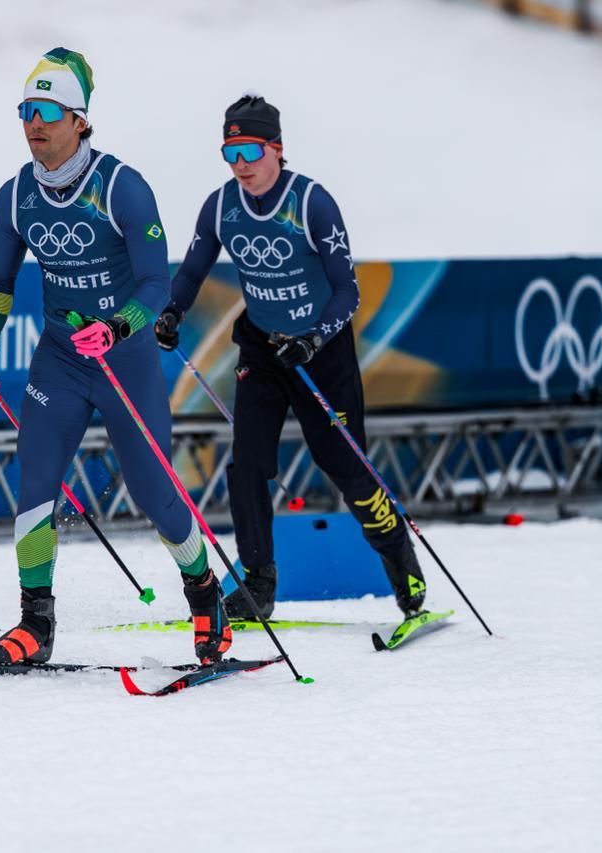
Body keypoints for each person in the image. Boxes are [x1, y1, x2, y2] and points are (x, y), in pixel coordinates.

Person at [0, 48, 231, 665]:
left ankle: (204, 593)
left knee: (155, 493)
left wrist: (116, 327)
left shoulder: (121, 187)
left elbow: (156, 285)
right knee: (36, 482)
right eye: (26, 111)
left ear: (79, 120)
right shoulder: (15, 195)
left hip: (123, 361)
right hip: (60, 360)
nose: (34, 124)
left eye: (47, 112)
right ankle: (36, 623)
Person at [156, 92, 427, 621]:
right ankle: (258, 583)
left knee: (346, 468)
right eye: (230, 154)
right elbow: (191, 272)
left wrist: (314, 338)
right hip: (262, 349)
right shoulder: (221, 206)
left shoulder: (311, 203)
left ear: (277, 149)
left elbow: (347, 291)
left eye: (251, 152)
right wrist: (171, 312)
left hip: (320, 353)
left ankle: (402, 565)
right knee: (247, 464)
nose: (241, 165)